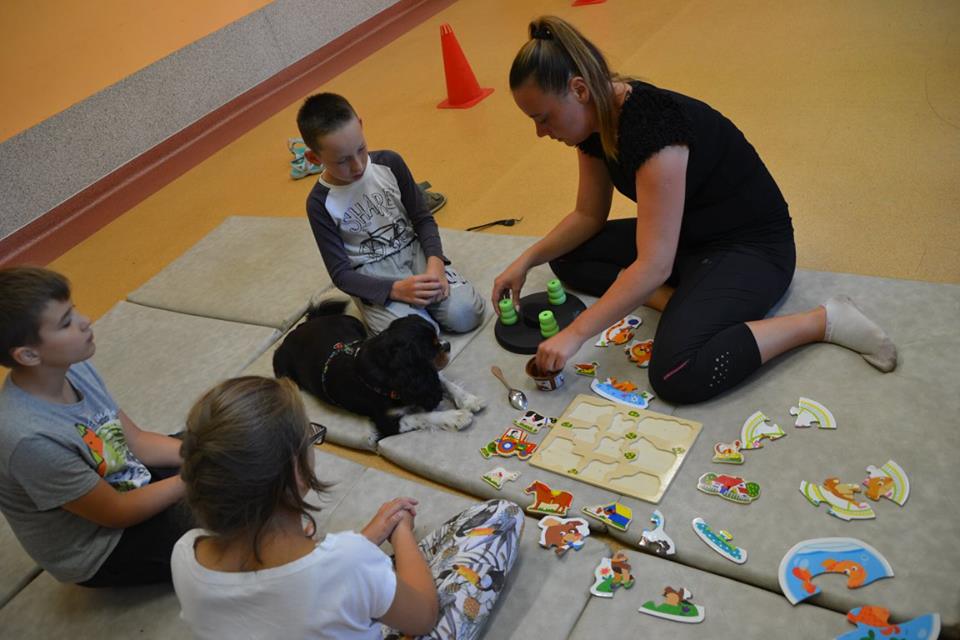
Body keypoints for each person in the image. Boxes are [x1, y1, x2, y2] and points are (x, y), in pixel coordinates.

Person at [492, 16, 897, 404]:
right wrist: (525, 261)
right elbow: (587, 216)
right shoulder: (593, 121)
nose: (540, 132)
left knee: (677, 372)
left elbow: (653, 266)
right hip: (689, 239)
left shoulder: (653, 130)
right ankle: (682, 304)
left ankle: (822, 321)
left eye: (543, 118)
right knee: (565, 256)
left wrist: (575, 334)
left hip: (752, 248)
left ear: (579, 89)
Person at [172, 375, 523, 640]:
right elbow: (423, 617)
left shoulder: (186, 553)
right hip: (394, 605)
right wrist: (402, 535)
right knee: (502, 516)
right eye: (310, 436)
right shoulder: (348, 561)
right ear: (295, 470)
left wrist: (366, 539)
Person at [0, 266, 188, 587]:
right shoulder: (29, 438)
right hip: (104, 547)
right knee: (239, 514)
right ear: (29, 355)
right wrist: (198, 474)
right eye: (66, 323)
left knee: (234, 439)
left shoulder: (73, 367)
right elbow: (117, 512)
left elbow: (136, 442)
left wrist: (204, 452)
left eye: (73, 310)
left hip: (126, 480)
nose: (85, 320)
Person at [297, 92, 484, 335]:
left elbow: (423, 219)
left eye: (361, 149)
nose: (357, 165)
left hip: (414, 252)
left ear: (361, 126)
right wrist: (393, 290)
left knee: (465, 314)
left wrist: (435, 263)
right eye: (342, 161)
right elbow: (341, 274)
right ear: (314, 157)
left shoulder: (390, 163)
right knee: (417, 337)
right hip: (372, 274)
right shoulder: (319, 204)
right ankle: (373, 306)